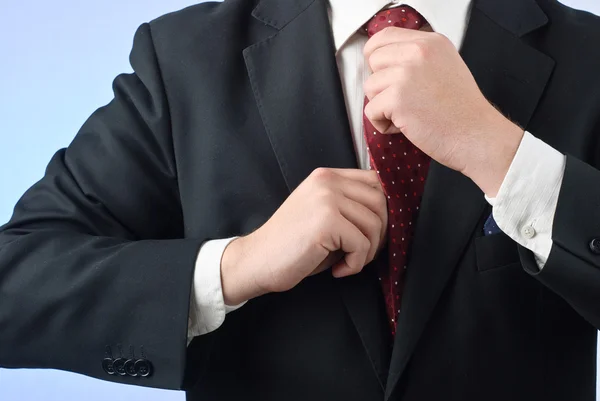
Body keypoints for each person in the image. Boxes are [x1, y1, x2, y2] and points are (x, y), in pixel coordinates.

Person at [1, 0, 600, 399]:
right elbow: (15, 289)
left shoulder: (590, 57)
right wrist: (234, 266)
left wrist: (504, 155)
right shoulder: (183, 58)